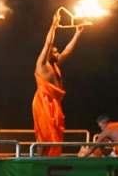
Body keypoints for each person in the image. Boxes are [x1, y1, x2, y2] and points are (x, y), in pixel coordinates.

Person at [33, 12, 83, 156]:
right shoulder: (42, 64)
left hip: (55, 103)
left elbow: (67, 51)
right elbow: (48, 43)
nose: (58, 53)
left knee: (56, 131)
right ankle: (38, 159)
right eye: (55, 52)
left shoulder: (55, 64)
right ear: (48, 53)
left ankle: (52, 157)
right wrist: (54, 25)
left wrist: (77, 33)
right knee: (44, 134)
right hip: (43, 102)